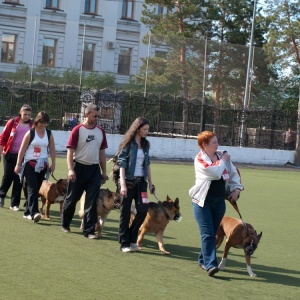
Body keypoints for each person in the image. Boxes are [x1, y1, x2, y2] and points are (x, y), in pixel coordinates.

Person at [189, 131, 243, 276]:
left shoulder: (221, 156)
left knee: (212, 233)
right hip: (202, 202)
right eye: (214, 143)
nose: (217, 145)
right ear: (204, 145)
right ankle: (211, 265)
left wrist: (236, 189)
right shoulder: (200, 159)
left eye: (217, 142)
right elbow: (215, 172)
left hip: (219, 202)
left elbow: (234, 173)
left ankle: (202, 259)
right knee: (207, 233)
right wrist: (224, 160)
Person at [61, 104, 108, 239]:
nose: (97, 118)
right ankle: (65, 223)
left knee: (91, 200)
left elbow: (102, 153)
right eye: (95, 115)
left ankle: (89, 230)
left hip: (94, 169)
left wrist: (104, 172)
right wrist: (70, 170)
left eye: (98, 116)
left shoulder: (100, 131)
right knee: (72, 199)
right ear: (87, 115)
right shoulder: (77, 130)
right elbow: (70, 152)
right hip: (78, 168)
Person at [117, 116, 155, 253]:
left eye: (148, 129)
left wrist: (151, 183)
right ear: (137, 129)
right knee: (125, 213)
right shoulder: (128, 143)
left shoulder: (146, 144)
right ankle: (124, 242)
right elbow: (122, 164)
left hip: (141, 183)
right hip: (128, 181)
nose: (146, 132)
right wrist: (123, 185)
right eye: (144, 129)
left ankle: (132, 238)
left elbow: (148, 164)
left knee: (143, 210)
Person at [14, 111, 56, 223]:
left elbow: (52, 149)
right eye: (40, 122)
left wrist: (53, 164)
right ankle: (35, 213)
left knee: (36, 189)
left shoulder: (49, 133)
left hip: (42, 164)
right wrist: (18, 164)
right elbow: (22, 150)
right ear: (36, 121)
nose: (42, 125)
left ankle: (27, 212)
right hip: (30, 163)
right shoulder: (30, 133)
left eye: (45, 122)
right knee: (32, 188)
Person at [0, 104, 33, 210]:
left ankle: (14, 203)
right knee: (8, 176)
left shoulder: (32, 125)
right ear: (20, 112)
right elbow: (3, 137)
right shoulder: (12, 122)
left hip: (24, 156)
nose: (27, 116)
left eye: (29, 114)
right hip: (9, 154)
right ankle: (1, 196)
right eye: (25, 114)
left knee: (19, 178)